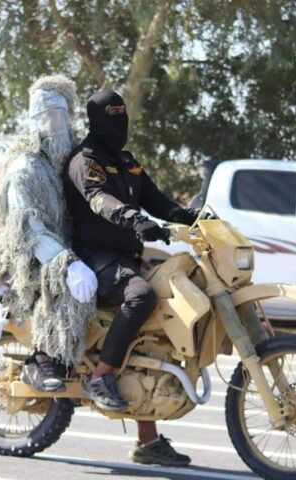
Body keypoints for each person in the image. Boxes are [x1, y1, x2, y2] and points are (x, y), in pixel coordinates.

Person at [64, 90, 198, 466]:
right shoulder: (86, 161)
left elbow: (158, 201)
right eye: (113, 116)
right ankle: (100, 376)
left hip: (124, 256)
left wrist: (192, 216)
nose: (119, 124)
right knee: (141, 296)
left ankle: (147, 441)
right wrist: (134, 219)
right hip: (92, 257)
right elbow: (99, 200)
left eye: (123, 115)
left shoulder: (126, 161)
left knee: (157, 323)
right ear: (97, 121)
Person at [0, 75, 98, 391]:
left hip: (68, 246)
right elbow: (28, 228)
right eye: (48, 115)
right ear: (34, 118)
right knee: (67, 289)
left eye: (61, 115)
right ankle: (42, 359)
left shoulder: (68, 160)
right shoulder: (25, 167)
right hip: (28, 257)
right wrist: (67, 264)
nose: (55, 124)